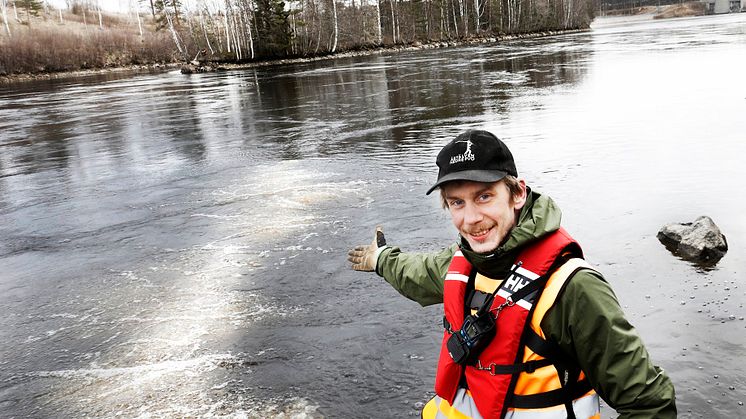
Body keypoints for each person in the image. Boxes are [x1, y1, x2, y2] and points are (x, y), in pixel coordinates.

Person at [347, 130, 676, 419]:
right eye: (457, 203)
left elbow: (649, 404)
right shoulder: (460, 263)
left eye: (484, 196)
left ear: (517, 193)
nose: (471, 218)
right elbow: (416, 273)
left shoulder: (573, 288)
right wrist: (381, 258)